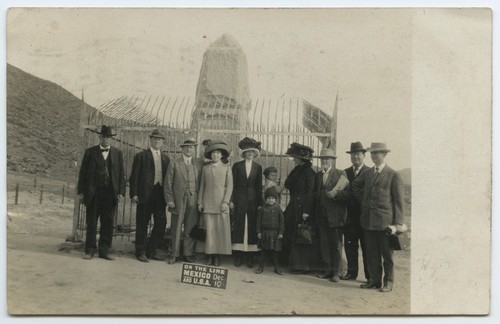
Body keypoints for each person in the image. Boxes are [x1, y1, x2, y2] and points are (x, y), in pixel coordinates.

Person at [352, 142, 405, 293]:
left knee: (387, 255)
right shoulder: (368, 173)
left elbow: (398, 202)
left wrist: (398, 224)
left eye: (377, 153)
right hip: (368, 221)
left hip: (385, 224)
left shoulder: (393, 175)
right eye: (372, 153)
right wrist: (364, 201)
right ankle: (374, 281)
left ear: (384, 155)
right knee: (371, 253)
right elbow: (355, 185)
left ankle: (388, 282)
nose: (373, 156)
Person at [78, 125, 125, 261]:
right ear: (99, 137)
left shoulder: (118, 153)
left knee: (108, 222)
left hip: (110, 194)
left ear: (111, 139)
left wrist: (121, 192)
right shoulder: (90, 152)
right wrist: (81, 192)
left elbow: (121, 174)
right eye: (104, 137)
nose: (106, 140)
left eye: (108, 138)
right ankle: (90, 250)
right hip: (93, 193)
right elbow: (83, 174)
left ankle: (104, 251)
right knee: (91, 222)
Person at [129, 129, 170, 263]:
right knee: (142, 223)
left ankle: (150, 250)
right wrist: (134, 194)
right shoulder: (141, 156)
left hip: (160, 195)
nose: (157, 141)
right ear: (150, 140)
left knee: (161, 224)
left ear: (163, 142)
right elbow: (134, 177)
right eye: (154, 139)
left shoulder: (165, 158)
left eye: (159, 140)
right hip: (145, 194)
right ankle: (140, 251)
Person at [283, 142, 322, 273]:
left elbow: (310, 193)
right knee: (292, 233)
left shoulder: (309, 173)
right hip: (294, 206)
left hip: (303, 208)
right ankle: (292, 263)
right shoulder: (298, 170)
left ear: (301, 158)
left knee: (302, 235)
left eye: (295, 157)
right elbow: (288, 184)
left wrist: (306, 211)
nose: (294, 159)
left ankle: (302, 266)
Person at [164, 137, 204, 264]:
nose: (189, 149)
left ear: (194, 149)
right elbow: (168, 183)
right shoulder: (174, 163)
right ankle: (174, 254)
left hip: (194, 198)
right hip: (178, 199)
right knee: (176, 227)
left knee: (190, 227)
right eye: (186, 147)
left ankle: (188, 253)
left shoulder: (198, 163)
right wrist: (170, 200)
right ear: (182, 149)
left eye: (191, 147)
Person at [314, 148, 349, 282]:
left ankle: (336, 272)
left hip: (336, 216)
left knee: (336, 245)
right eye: (323, 159)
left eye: (327, 159)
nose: (325, 161)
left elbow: (348, 194)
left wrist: (336, 195)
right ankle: (327, 270)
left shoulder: (341, 174)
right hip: (322, 216)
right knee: (324, 244)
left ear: (333, 161)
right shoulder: (318, 175)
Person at [197, 140, 233, 266]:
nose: (215, 155)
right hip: (208, 204)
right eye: (213, 153)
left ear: (222, 155)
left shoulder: (227, 168)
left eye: (217, 153)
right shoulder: (205, 168)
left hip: (221, 205)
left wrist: (225, 202)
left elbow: (229, 187)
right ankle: (209, 255)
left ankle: (217, 256)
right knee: (210, 232)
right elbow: (202, 186)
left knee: (219, 232)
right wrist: (200, 202)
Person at [338, 142, 371, 281]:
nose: (355, 158)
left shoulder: (370, 172)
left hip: (365, 218)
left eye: (358, 155)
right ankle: (352, 273)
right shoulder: (345, 172)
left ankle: (370, 276)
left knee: (367, 247)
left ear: (364, 156)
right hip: (350, 217)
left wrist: (347, 194)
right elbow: (340, 191)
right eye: (353, 155)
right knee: (350, 246)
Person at [231, 137, 263, 268]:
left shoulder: (258, 167)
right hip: (239, 200)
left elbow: (258, 186)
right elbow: (232, 184)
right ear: (244, 153)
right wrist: (232, 200)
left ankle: (250, 256)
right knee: (239, 225)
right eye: (248, 152)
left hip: (252, 201)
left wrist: (259, 202)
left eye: (252, 152)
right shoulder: (237, 166)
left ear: (255, 154)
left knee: (251, 226)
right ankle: (238, 255)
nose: (250, 154)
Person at [255, 187, 285, 275]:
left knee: (275, 252)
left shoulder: (278, 209)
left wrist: (281, 233)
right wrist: (259, 232)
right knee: (263, 251)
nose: (270, 200)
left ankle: (276, 268)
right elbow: (258, 221)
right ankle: (261, 267)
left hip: (275, 234)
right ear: (265, 199)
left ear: (275, 199)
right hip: (265, 233)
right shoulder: (262, 209)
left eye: (272, 198)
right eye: (268, 198)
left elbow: (282, 222)